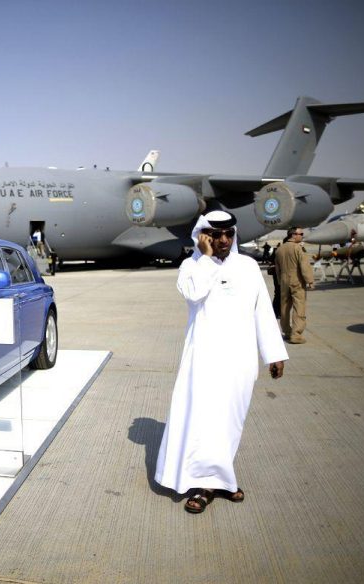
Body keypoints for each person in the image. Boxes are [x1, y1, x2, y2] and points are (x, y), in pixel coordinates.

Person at [155, 210, 288, 514]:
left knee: (230, 422)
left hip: (240, 360)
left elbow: (263, 311)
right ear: (204, 236)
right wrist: (204, 259)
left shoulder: (248, 266)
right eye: (216, 235)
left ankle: (222, 479)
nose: (224, 240)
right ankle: (205, 485)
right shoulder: (191, 267)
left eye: (229, 234)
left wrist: (274, 353)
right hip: (204, 358)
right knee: (207, 420)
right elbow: (193, 293)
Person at [274, 226, 314, 344]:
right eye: (300, 234)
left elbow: (278, 268)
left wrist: (280, 281)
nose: (302, 236)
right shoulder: (298, 248)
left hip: (284, 280)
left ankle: (287, 332)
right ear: (293, 235)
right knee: (299, 307)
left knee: (285, 307)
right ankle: (296, 335)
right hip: (296, 280)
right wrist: (310, 281)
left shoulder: (280, 249)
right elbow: (304, 266)